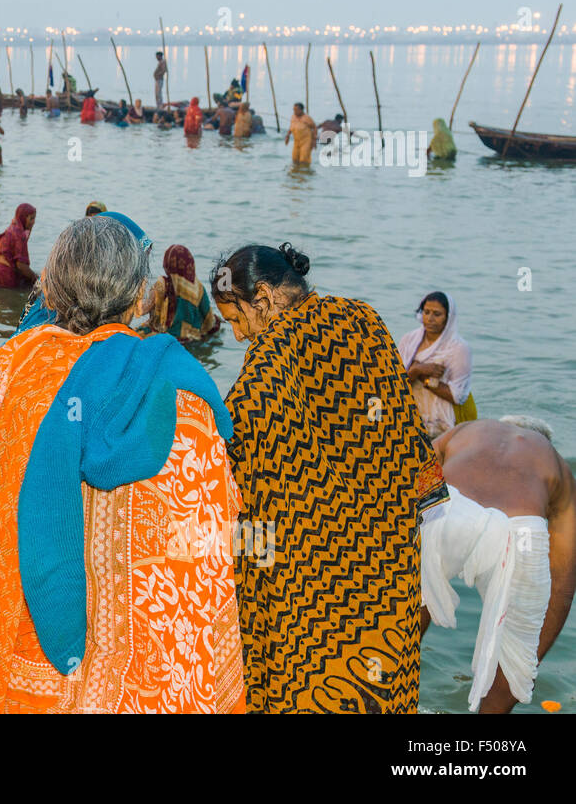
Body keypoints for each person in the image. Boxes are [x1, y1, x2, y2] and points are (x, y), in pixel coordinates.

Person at [0, 215, 244, 713]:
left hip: (20, 658)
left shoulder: (9, 367)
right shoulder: (182, 392)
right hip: (139, 680)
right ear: (139, 299)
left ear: (52, 287)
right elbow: (208, 548)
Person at [210, 242, 448, 713]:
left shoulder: (272, 358)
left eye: (237, 319)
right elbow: (401, 432)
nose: (238, 336)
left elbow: (234, 447)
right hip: (381, 553)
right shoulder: (364, 319)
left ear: (262, 296)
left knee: (305, 678)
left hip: (308, 576)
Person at [423, 418, 575, 713]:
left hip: (451, 507)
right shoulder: (555, 462)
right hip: (521, 534)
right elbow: (563, 578)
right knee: (517, 655)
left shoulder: (468, 429)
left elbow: (414, 468)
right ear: (544, 440)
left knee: (412, 603)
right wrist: (528, 655)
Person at [397, 291, 474, 438]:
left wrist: (424, 379)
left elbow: (457, 396)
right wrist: (417, 371)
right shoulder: (409, 340)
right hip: (410, 418)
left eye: (437, 314)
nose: (430, 319)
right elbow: (395, 385)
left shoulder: (458, 348)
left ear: (448, 318)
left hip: (443, 422)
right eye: (426, 312)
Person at [148, 245, 220, 343]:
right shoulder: (198, 288)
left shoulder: (162, 284)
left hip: (163, 336)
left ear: (166, 264)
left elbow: (154, 317)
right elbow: (208, 319)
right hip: (190, 339)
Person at [0, 203, 38, 290]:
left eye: (34, 218)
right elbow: (21, 266)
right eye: (31, 219)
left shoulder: (11, 229)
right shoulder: (19, 235)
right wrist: (36, 278)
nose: (34, 222)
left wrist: (29, 228)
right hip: (6, 277)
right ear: (23, 218)